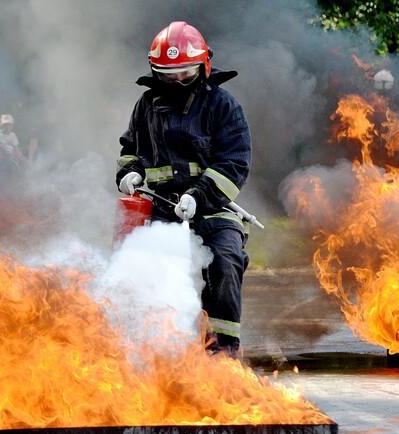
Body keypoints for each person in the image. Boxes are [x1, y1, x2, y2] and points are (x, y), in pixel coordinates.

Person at [116, 21, 252, 357]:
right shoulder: (146, 106)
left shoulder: (223, 106)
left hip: (214, 209)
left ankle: (221, 353)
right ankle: (154, 352)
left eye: (186, 74)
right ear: (155, 71)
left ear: (204, 66)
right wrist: (130, 172)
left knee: (225, 262)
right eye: (168, 75)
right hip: (163, 210)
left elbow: (233, 165)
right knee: (143, 269)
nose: (177, 81)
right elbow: (130, 149)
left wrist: (198, 195)